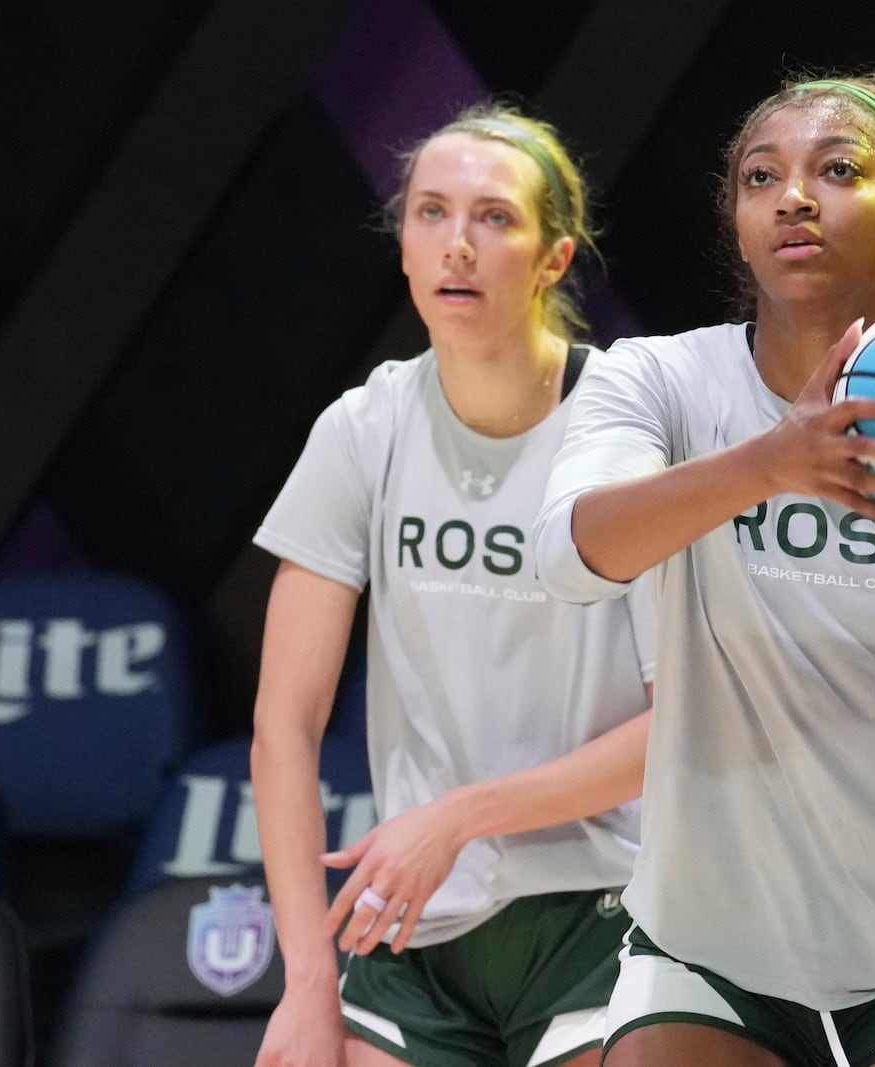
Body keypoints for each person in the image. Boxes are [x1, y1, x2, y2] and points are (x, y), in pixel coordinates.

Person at [531, 74, 875, 1067]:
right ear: (738, 218)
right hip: (709, 949)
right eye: (762, 176)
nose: (795, 195)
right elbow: (570, 557)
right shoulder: (661, 381)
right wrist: (765, 464)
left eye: (838, 170)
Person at [249, 102, 655, 1067]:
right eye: (431, 213)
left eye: (494, 218)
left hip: (605, 906)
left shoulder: (629, 429)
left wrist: (463, 813)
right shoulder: (364, 427)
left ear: (555, 258)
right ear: (402, 242)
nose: (457, 246)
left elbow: (684, 722)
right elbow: (284, 725)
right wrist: (308, 986)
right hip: (416, 921)